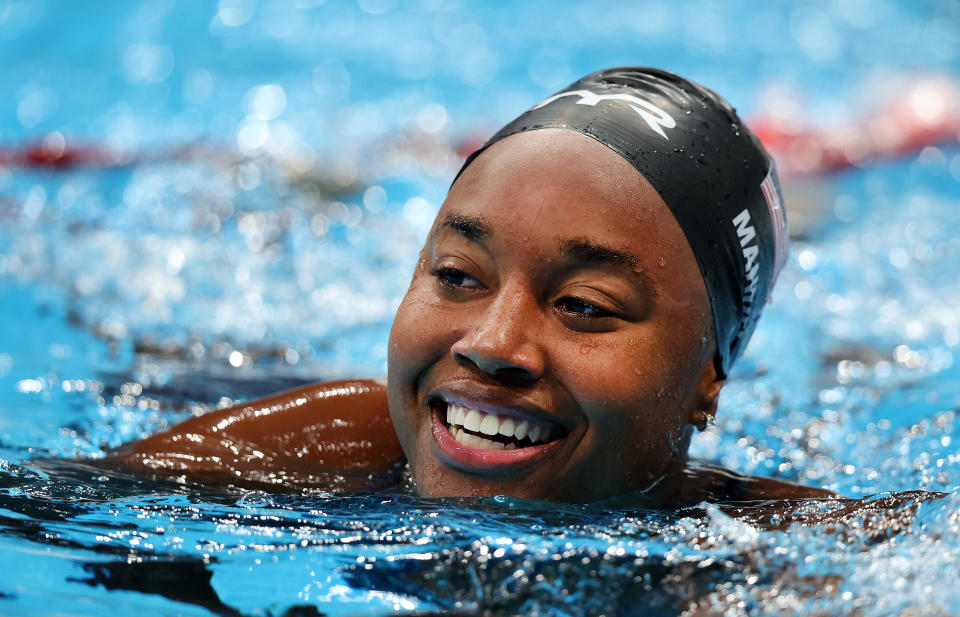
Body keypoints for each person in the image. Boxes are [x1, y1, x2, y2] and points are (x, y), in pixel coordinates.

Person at [105, 67, 837, 505]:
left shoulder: (755, 546)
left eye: (583, 305)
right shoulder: (327, 453)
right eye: (456, 276)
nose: (491, 345)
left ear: (710, 380)